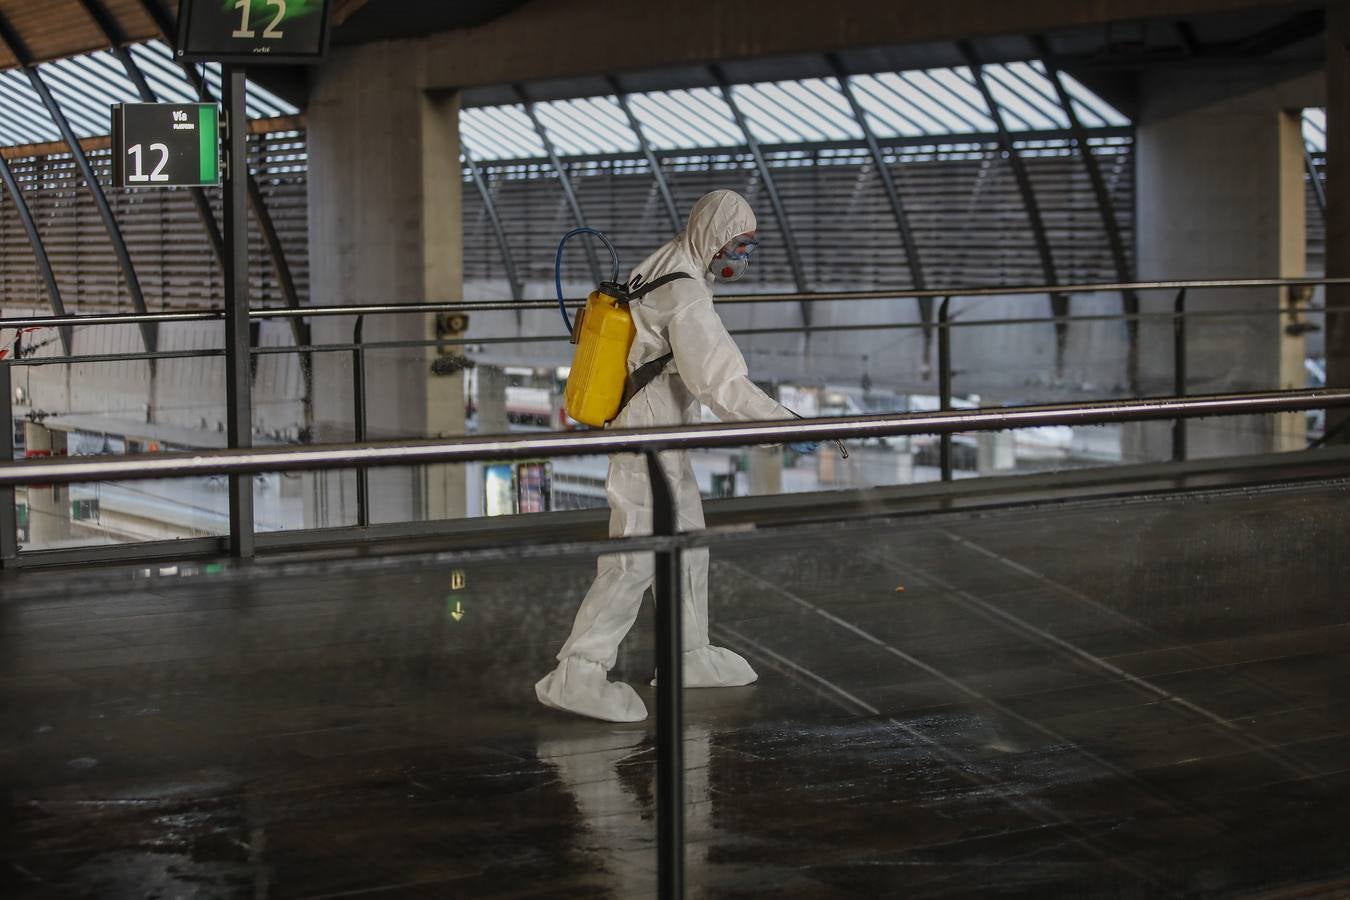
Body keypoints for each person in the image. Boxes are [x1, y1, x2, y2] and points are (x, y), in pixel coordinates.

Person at [536, 190, 796, 723]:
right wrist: (784, 426)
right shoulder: (687, 293)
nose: (740, 257)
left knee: (685, 542)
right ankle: (578, 671)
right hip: (645, 436)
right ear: (715, 236)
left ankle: (687, 653)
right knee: (636, 554)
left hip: (660, 433)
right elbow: (718, 381)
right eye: (738, 245)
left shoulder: (670, 261)